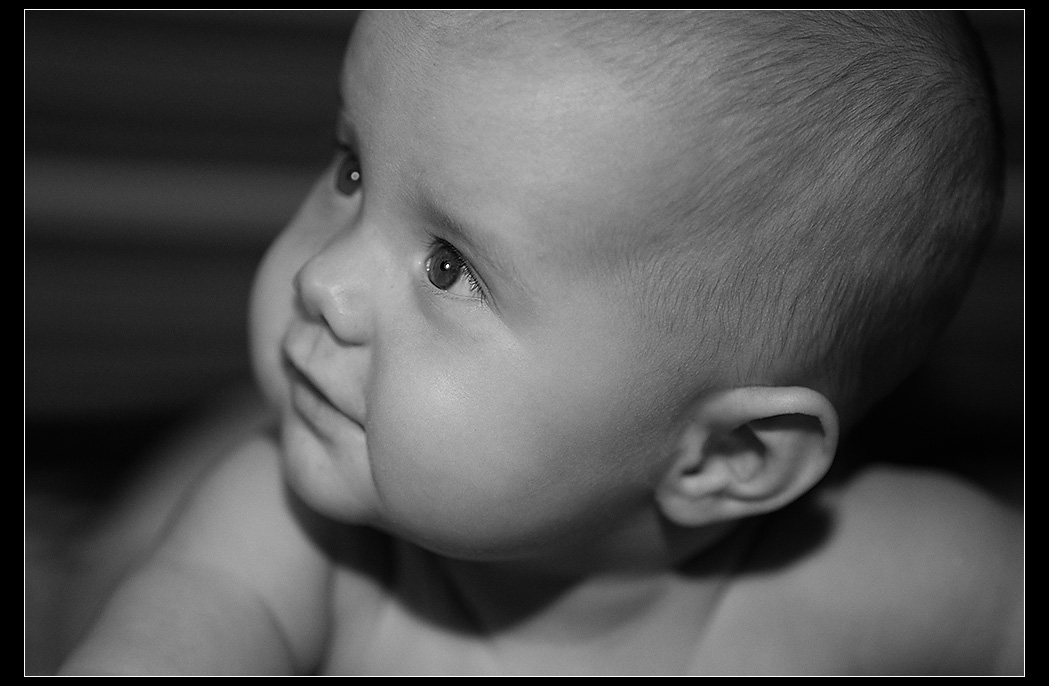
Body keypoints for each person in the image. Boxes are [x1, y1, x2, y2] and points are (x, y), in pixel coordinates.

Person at [59, 10, 1023, 675]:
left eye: (449, 267)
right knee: (137, 543)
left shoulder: (900, 574)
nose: (322, 280)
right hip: (210, 473)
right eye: (352, 171)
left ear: (726, 455)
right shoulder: (284, 540)